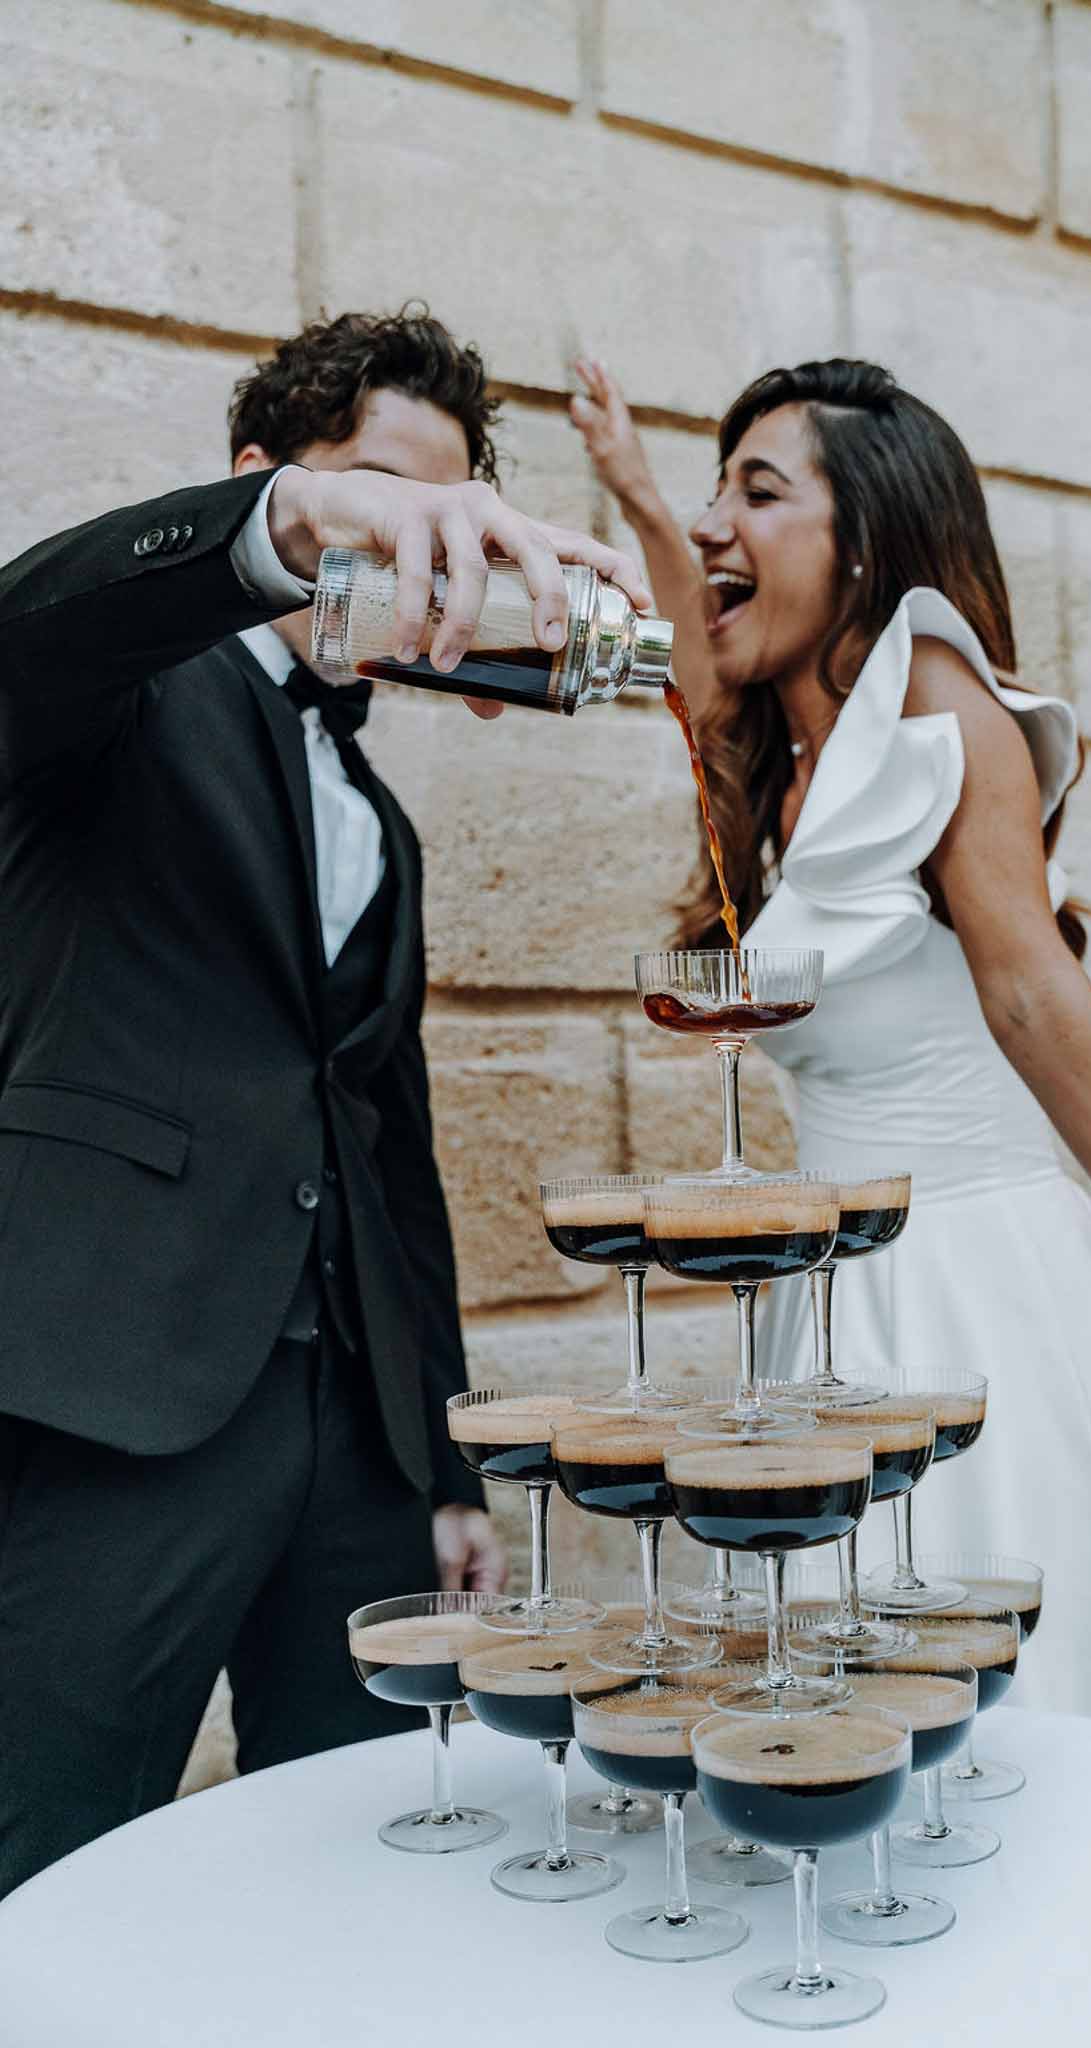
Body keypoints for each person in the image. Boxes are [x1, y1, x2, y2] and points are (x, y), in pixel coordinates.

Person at [570, 354, 1091, 1786]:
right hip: (821, 1305)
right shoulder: (796, 753)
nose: (710, 527)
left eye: (757, 492)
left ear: (863, 539)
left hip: (970, 1300)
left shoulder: (933, 696)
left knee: (1007, 1726)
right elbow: (689, 675)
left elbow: (1028, 990)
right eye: (708, 492)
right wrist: (632, 497)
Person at [0, 309, 652, 1895]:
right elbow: (33, 626)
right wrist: (284, 535)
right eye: (373, 494)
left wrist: (436, 1466)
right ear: (258, 479)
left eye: (439, 515)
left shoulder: (378, 813)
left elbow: (386, 1156)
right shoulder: (117, 697)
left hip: (351, 1440)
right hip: (117, 1398)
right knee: (49, 1855)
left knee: (375, 1848)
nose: (407, 545)